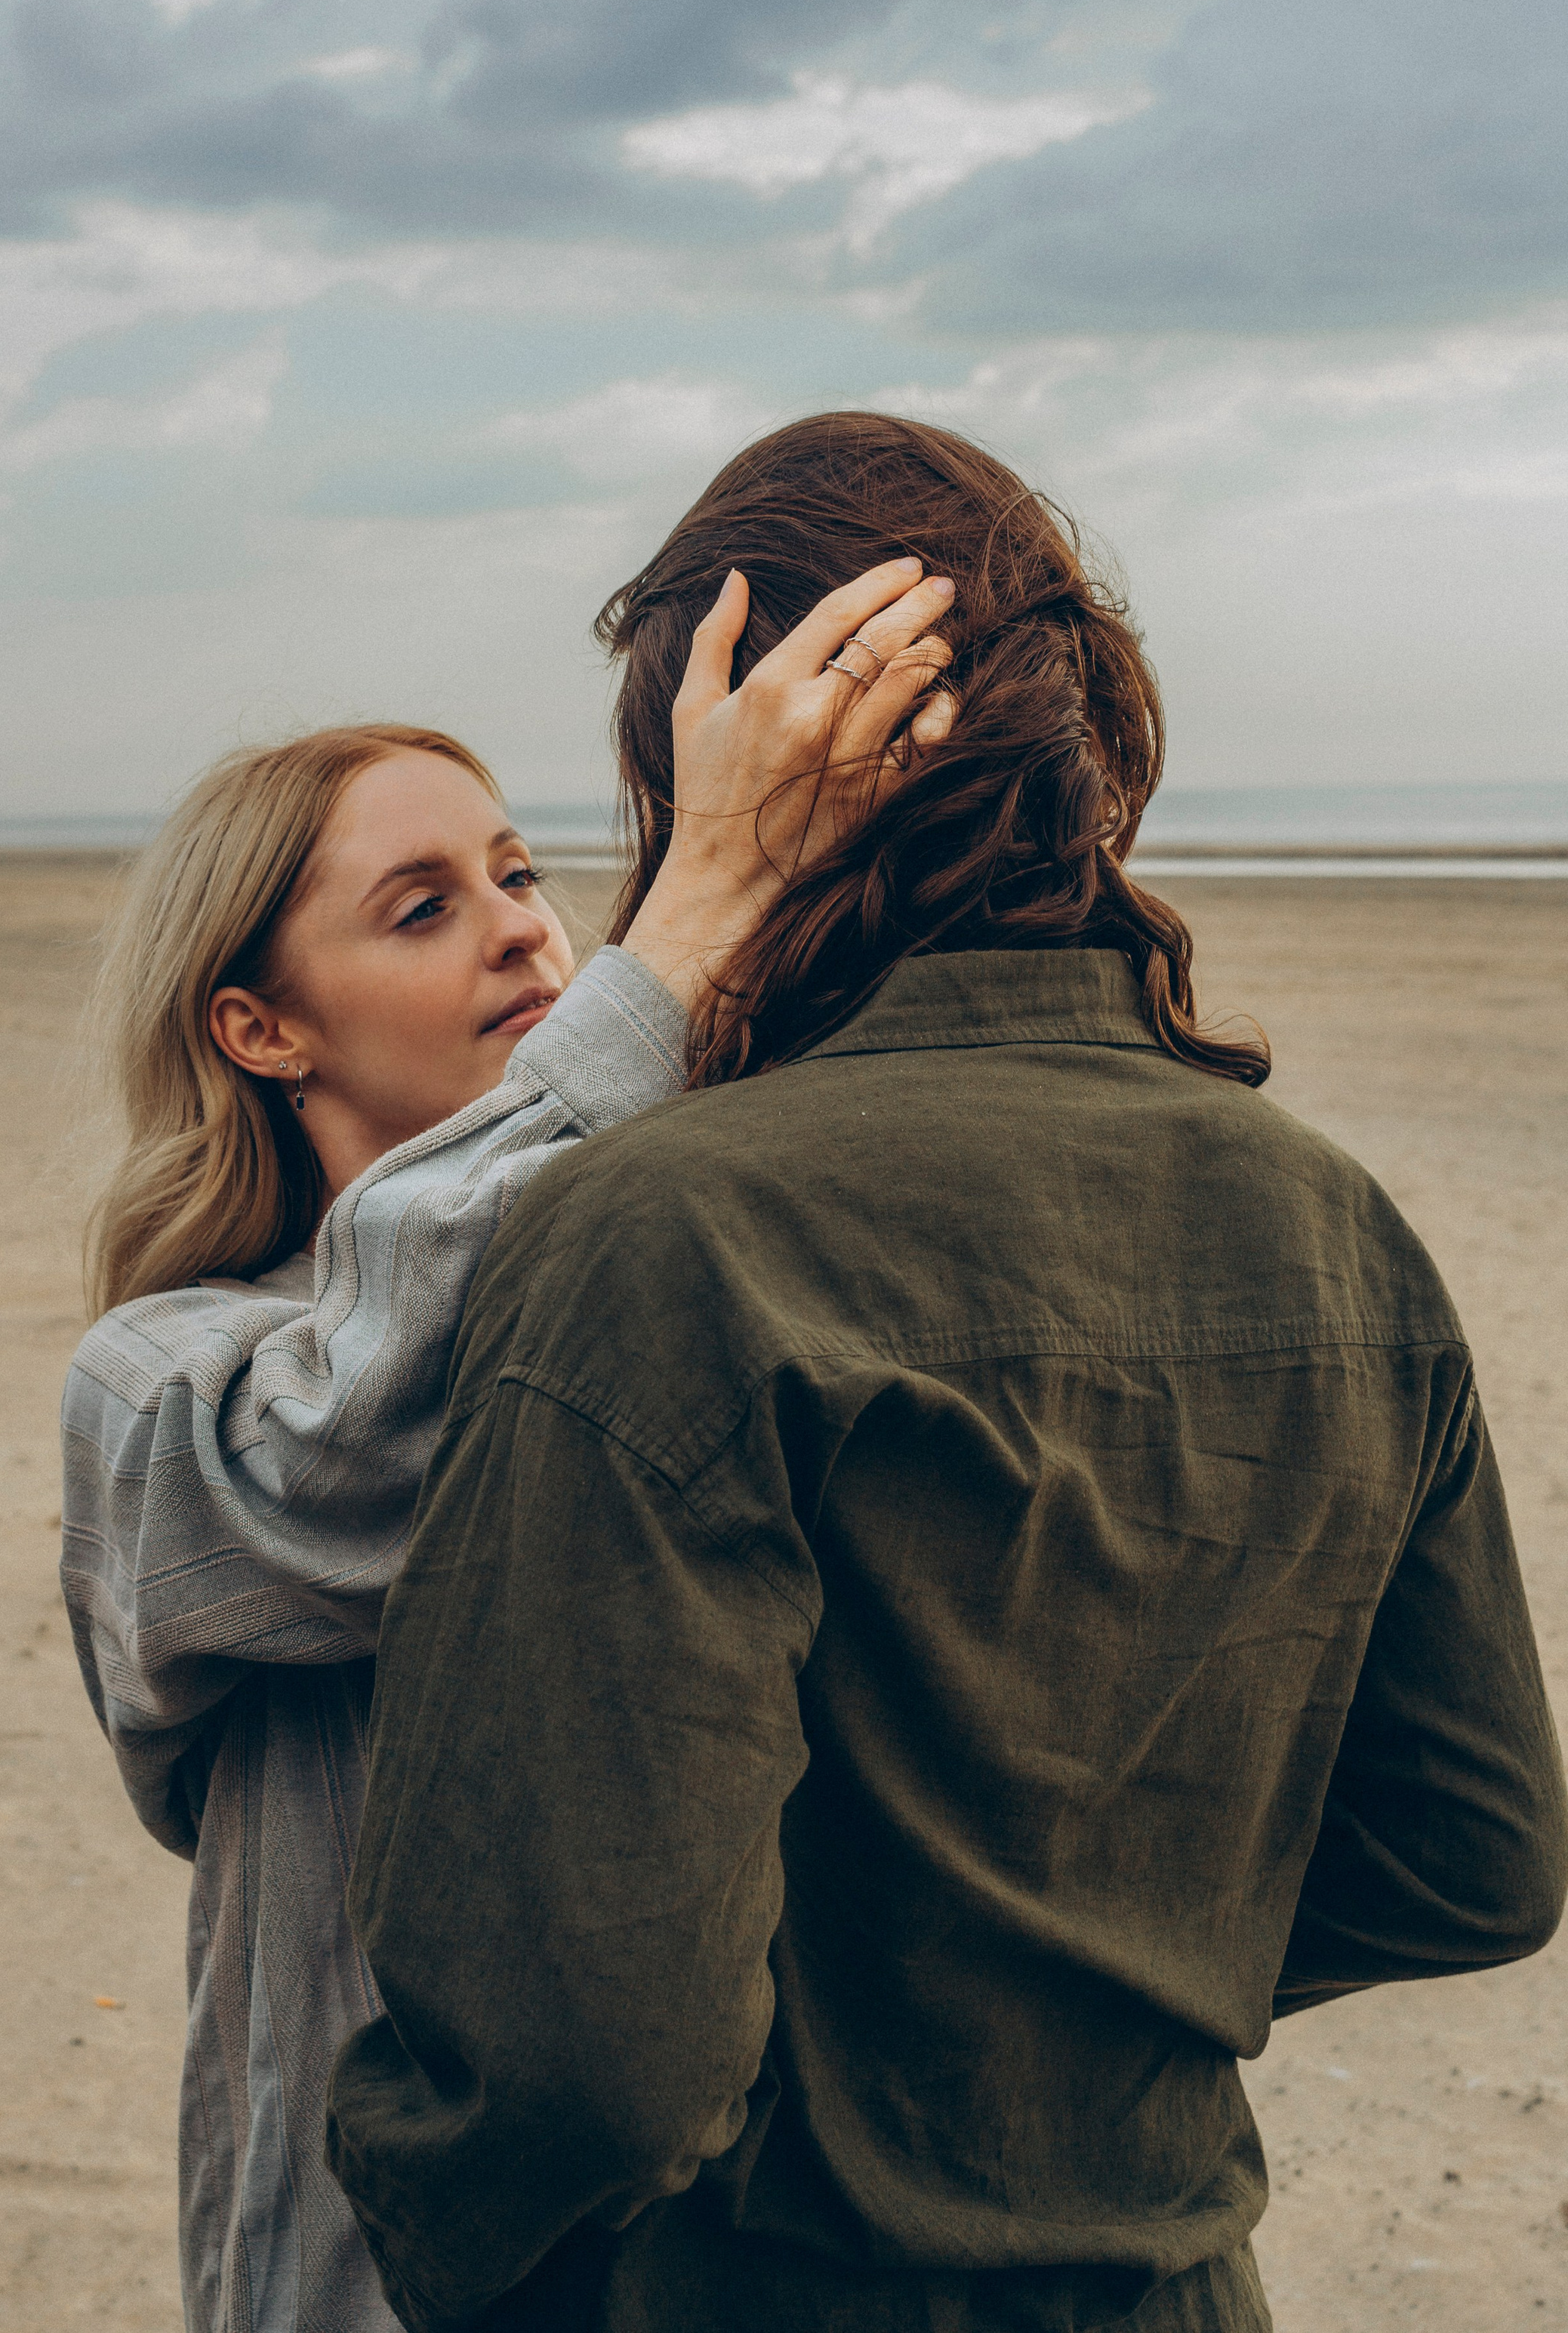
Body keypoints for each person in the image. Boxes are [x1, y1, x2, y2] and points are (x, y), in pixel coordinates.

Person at [325, 411, 1568, 2333]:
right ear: (1075, 755)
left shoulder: (664, 1241)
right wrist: (1078, 2013)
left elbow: (577, 2050)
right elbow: (1469, 1856)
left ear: (717, 781)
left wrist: (422, 2216)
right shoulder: (1331, 1222)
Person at [60, 555, 960, 2333]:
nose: (524, 931)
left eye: (519, 871)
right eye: (417, 908)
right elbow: (375, 1432)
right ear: (257, 1026)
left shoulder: (676, 1276)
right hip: (371, 2272)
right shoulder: (162, 1381)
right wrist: (694, 911)